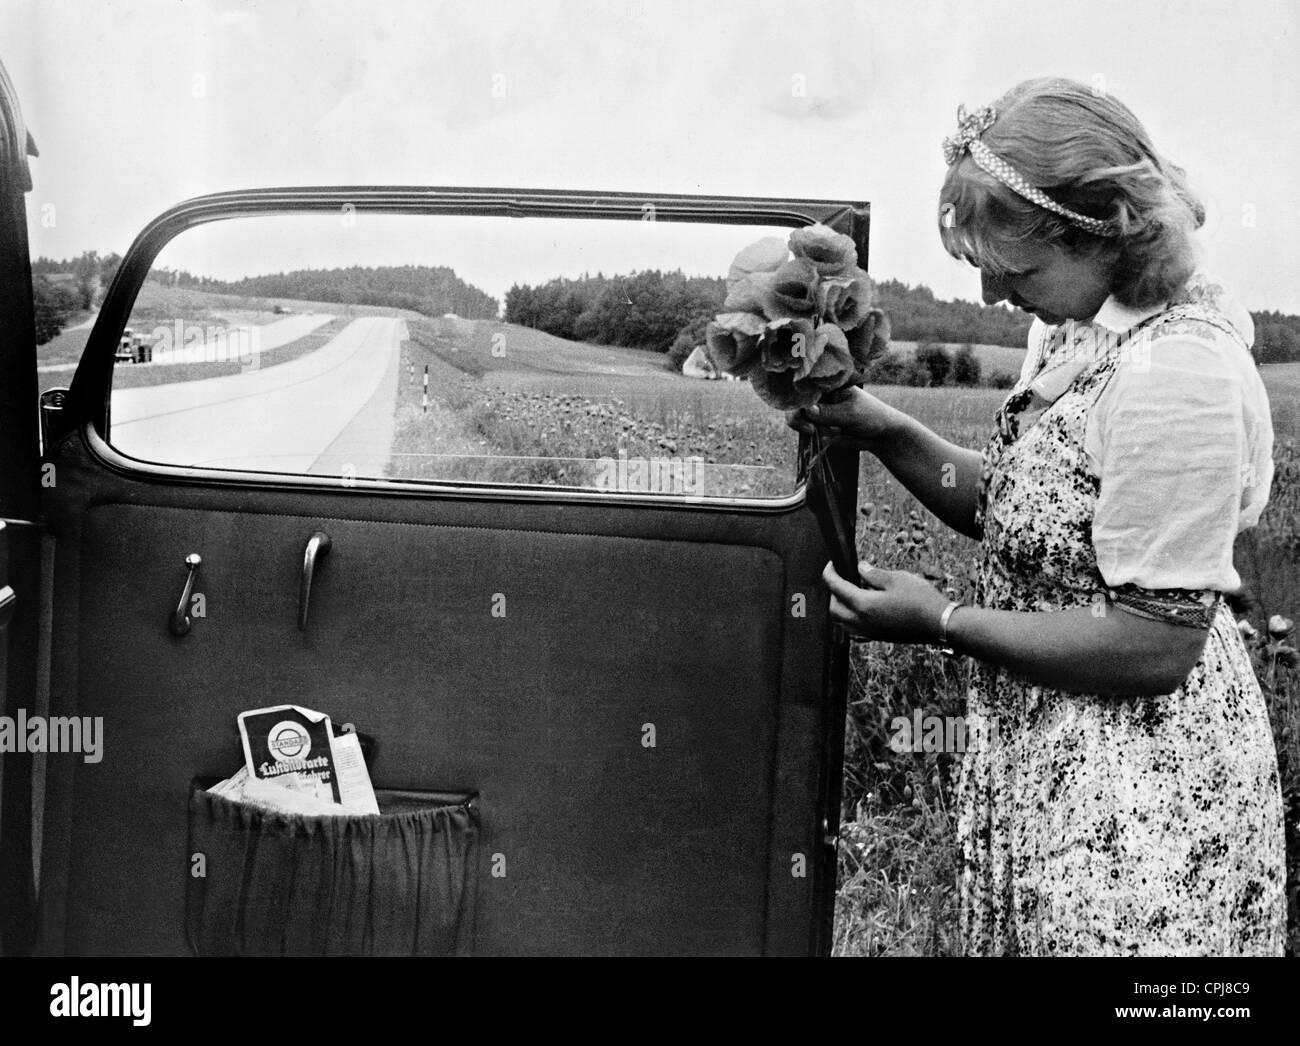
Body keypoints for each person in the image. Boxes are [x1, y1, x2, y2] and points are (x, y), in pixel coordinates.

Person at [791, 77, 1286, 956]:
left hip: (1141, 802)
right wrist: (888, 429)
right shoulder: (1080, 329)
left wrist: (942, 621)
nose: (987, 291)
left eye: (1011, 268)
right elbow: (1032, 513)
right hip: (1056, 763)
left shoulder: (1180, 377)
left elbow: (1154, 643)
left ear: (1105, 232)